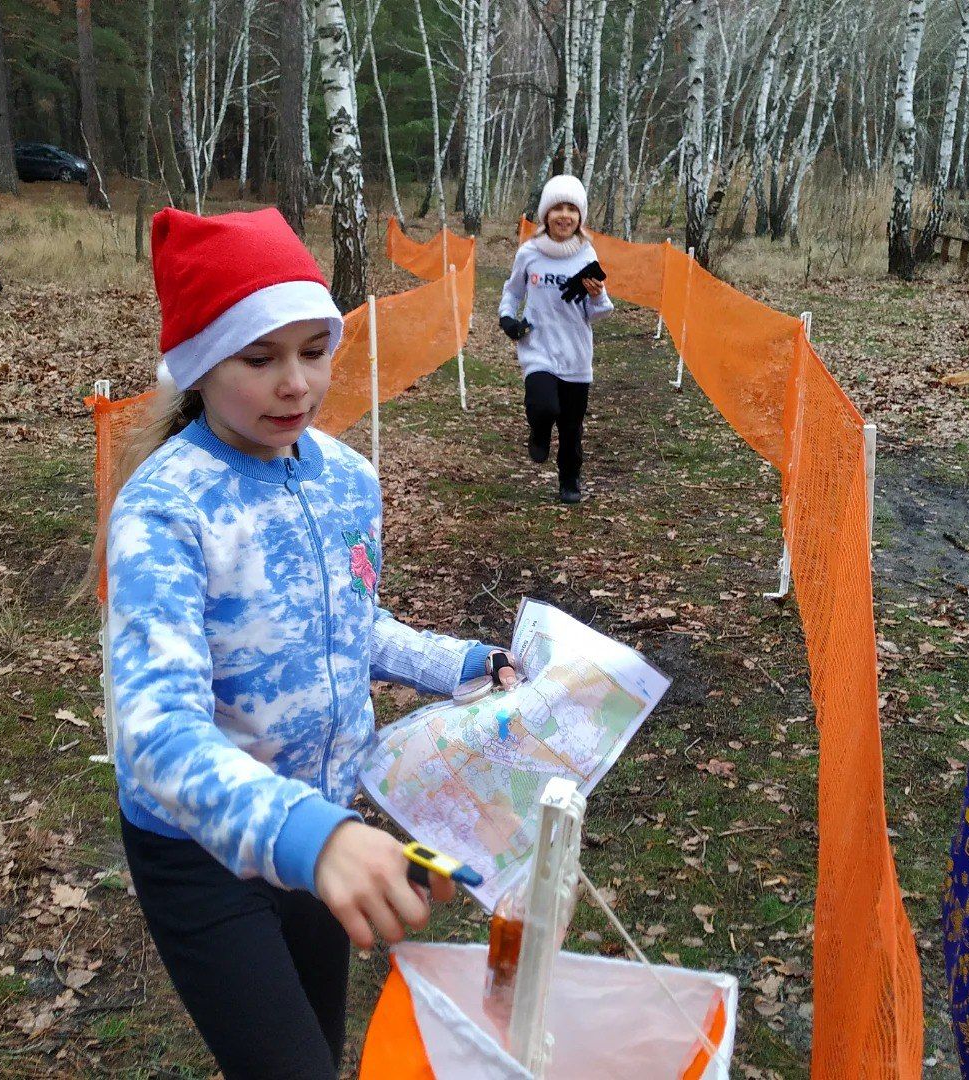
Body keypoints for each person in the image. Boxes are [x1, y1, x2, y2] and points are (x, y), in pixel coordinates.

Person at [104, 207, 518, 1080]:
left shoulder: (348, 482)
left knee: (316, 1053)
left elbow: (347, 628)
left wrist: (461, 664)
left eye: (314, 349)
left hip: (323, 817)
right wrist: (313, 838)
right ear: (198, 365)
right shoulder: (163, 510)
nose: (296, 383)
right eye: (260, 357)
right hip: (203, 850)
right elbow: (154, 735)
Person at [498, 174, 613, 504]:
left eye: (572, 209)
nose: (565, 215)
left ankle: (570, 479)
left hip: (576, 353)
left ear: (580, 218)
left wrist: (597, 296)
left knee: (572, 426)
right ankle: (538, 430)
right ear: (546, 215)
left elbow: (599, 312)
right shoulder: (529, 253)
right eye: (557, 208)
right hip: (538, 347)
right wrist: (507, 317)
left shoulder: (587, 255)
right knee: (543, 404)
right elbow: (512, 291)